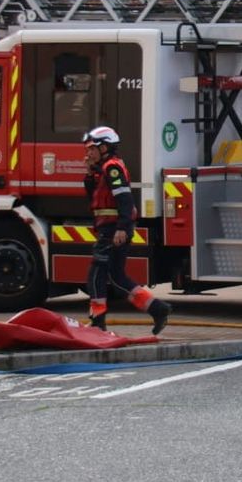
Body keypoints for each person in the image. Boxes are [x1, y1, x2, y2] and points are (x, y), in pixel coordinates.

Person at [82, 125, 171, 334]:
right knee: (117, 277)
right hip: (111, 228)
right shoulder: (103, 170)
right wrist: (89, 173)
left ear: (104, 147)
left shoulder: (112, 168)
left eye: (92, 148)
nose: (88, 153)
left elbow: (124, 198)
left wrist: (122, 227)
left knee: (96, 274)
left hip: (113, 229)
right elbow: (93, 197)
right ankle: (158, 309)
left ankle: (97, 320)